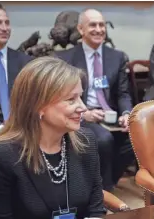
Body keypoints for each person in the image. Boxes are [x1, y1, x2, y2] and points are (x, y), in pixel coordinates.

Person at [0, 57, 107, 219]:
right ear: (38, 106)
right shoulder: (2, 156)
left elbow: (96, 211)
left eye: (80, 96)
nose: (82, 107)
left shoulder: (86, 142)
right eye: (71, 99)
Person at [56, 8, 135, 191]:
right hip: (83, 114)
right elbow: (62, 97)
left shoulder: (117, 57)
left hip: (111, 115)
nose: (99, 29)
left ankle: (105, 185)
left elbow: (123, 94)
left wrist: (126, 114)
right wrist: (85, 114)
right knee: (104, 139)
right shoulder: (65, 58)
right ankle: (104, 190)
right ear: (81, 29)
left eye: (102, 25)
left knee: (135, 135)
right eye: (93, 25)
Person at [0, 2, 32, 136]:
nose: (4, 28)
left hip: (22, 131)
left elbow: (33, 99)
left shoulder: (25, 61)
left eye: (7, 23)